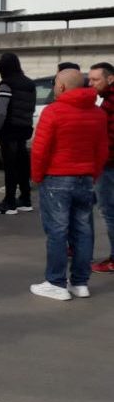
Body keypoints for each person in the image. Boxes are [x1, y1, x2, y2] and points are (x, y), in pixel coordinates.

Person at [28, 69, 108, 301]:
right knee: (83, 231)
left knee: (57, 233)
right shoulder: (97, 113)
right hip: (85, 178)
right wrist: (92, 174)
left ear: (61, 87)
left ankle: (56, 282)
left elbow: (40, 150)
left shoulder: (53, 112)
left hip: (56, 178)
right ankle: (80, 282)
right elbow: (101, 150)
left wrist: (37, 176)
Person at [0, 53, 36, 215]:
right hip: (24, 128)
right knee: (22, 164)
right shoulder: (30, 84)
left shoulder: (6, 85)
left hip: (8, 130)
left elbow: (1, 111)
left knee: (10, 166)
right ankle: (25, 199)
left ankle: (9, 202)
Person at [89, 62, 114, 273]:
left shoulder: (110, 102)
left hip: (109, 165)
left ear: (110, 79)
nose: (91, 83)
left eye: (95, 79)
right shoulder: (107, 100)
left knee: (109, 212)